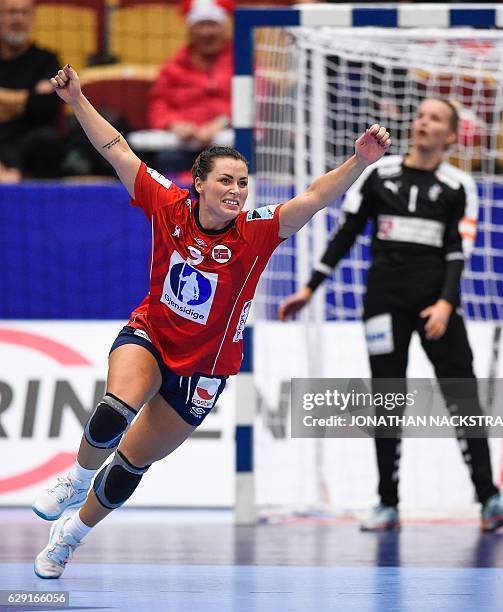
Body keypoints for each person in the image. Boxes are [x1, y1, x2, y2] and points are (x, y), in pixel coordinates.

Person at [31, 63, 390, 579]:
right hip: (152, 334)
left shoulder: (259, 230)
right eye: (226, 180)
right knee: (114, 411)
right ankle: (75, 477)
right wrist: (77, 100)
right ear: (199, 184)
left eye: (243, 183)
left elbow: (316, 197)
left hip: (205, 368)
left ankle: (72, 536)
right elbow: (116, 149)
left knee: (131, 466)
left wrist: (359, 161)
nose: (237, 190)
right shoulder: (168, 203)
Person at [278, 98, 503, 533]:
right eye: (420, 115)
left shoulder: (458, 186)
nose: (423, 122)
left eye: (435, 118)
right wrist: (310, 287)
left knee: (462, 396)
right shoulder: (379, 174)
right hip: (384, 304)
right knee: (387, 400)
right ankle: (387, 504)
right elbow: (348, 233)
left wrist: (447, 303)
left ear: (451, 135)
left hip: (438, 304)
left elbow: (457, 250)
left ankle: (489, 501)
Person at [144, 0, 233, 176]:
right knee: (166, 160)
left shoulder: (242, 62)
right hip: (182, 146)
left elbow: (256, 102)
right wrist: (173, 123)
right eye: (201, 25)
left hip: (229, 142)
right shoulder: (173, 66)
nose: (207, 32)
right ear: (191, 30)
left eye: (212, 25)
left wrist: (221, 123)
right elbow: (158, 104)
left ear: (224, 29)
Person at [0, 0, 61, 181]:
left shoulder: (47, 60)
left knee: (47, 139)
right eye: (10, 12)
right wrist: (28, 98)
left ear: (33, 18)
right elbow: (35, 102)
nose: (17, 19)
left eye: (24, 12)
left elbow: (45, 108)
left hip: (30, 139)